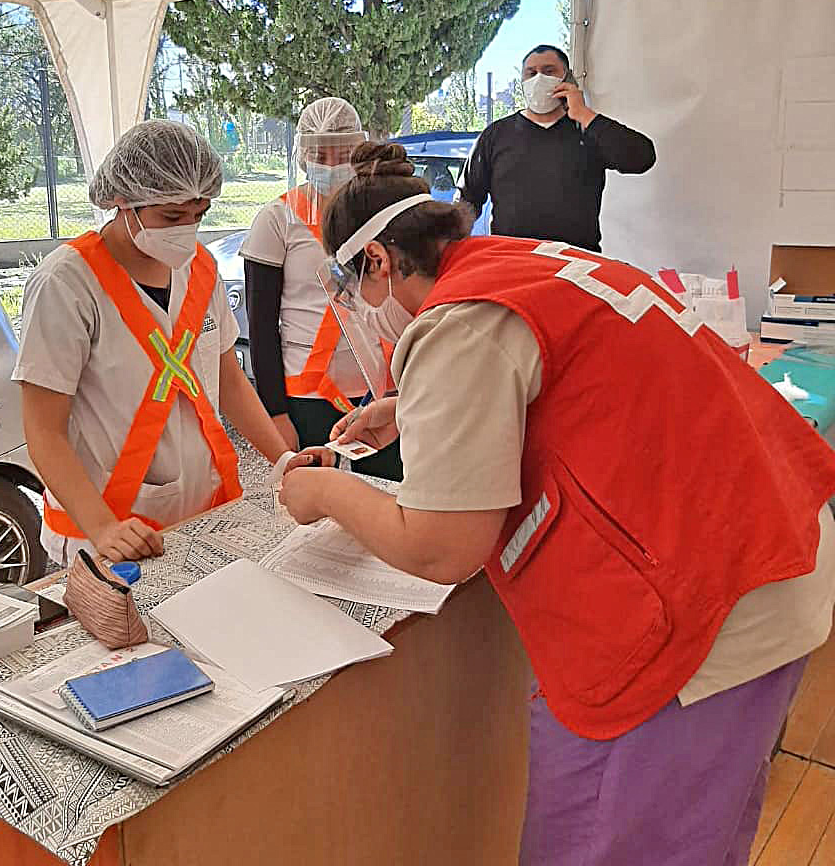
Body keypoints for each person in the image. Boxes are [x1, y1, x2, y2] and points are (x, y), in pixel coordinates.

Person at [279, 140, 835, 865]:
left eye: (355, 290)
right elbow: (569, 377)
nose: (363, 313)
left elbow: (444, 546)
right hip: (770, 557)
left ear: (379, 263)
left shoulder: (459, 322)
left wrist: (325, 489)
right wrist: (406, 406)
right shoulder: (525, 261)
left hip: (695, 625)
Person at [14, 120, 329, 565]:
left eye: (198, 214)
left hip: (203, 514)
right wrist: (103, 528)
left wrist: (282, 458)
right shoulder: (65, 285)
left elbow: (228, 378)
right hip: (105, 531)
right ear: (122, 201)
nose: (187, 230)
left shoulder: (199, 267)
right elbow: (43, 431)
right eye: (172, 217)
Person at [240, 97, 402, 480]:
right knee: (319, 509)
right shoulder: (277, 219)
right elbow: (261, 325)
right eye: (320, 154)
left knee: (386, 500)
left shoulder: (378, 213)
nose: (331, 165)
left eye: (342, 153)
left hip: (380, 391)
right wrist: (275, 413)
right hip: (307, 396)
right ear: (302, 155)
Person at [458, 44, 656, 251]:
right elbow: (468, 199)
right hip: (512, 260)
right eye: (531, 73)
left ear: (567, 78)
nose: (538, 79)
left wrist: (583, 114)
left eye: (549, 71)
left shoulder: (589, 130)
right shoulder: (495, 135)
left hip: (576, 262)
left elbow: (641, 158)